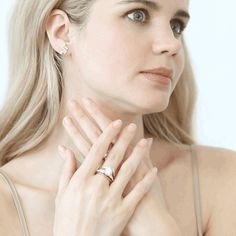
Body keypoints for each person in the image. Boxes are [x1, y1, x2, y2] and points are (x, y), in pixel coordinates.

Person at [0, 0, 236, 235]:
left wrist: (159, 229)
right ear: (62, 32)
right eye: (138, 15)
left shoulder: (223, 181)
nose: (171, 44)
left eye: (176, 25)